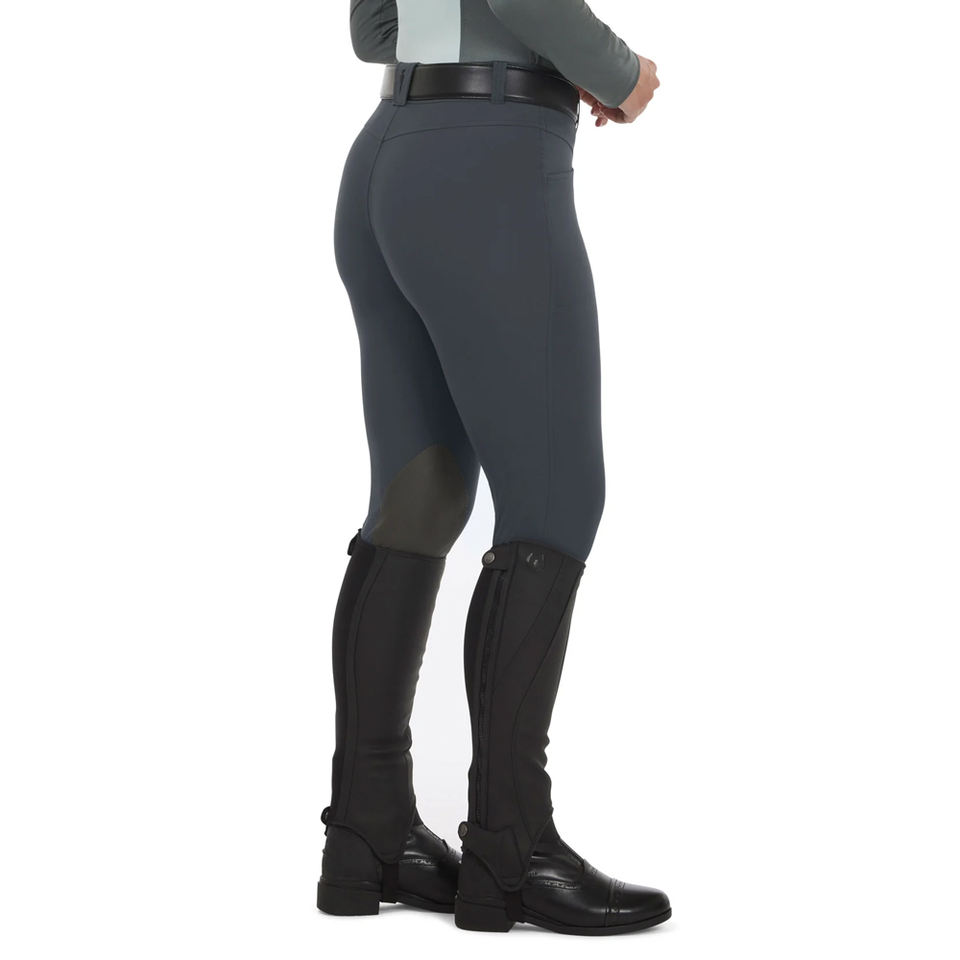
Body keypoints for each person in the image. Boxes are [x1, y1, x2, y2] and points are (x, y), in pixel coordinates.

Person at [316, 0, 667, 936]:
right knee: (556, 499)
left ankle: (369, 833)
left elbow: (375, 31)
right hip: (489, 164)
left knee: (419, 496)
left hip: (389, 159)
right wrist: (617, 71)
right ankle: (513, 851)